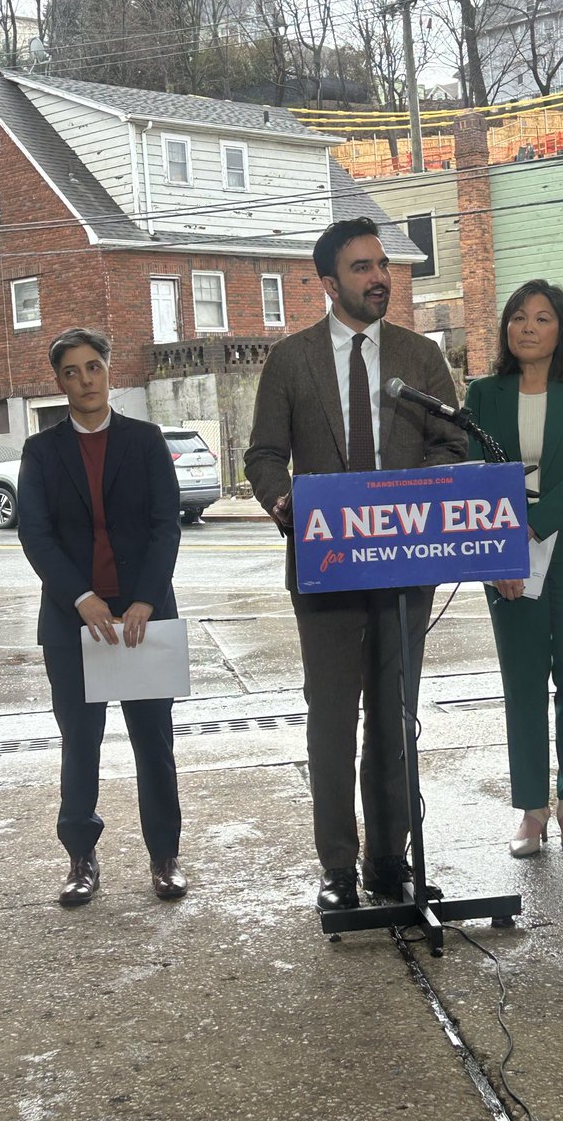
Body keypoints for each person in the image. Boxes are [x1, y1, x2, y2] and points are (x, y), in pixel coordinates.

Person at [244, 217, 467, 911]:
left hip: (404, 567)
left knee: (396, 719)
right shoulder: (291, 360)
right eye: (364, 268)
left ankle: (389, 862)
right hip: (326, 566)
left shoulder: (419, 356)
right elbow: (262, 455)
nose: (379, 279)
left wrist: (415, 497)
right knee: (333, 722)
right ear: (329, 281)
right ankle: (338, 868)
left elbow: (451, 445)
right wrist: (282, 499)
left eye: (384, 267)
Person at [18, 327, 188, 906]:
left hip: (144, 620)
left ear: (108, 370)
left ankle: (164, 857)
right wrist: (80, 598)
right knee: (80, 744)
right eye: (72, 371)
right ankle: (81, 860)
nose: (85, 380)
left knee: (154, 743)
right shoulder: (42, 452)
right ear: (59, 381)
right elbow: (36, 535)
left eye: (94, 367)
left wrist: (143, 597)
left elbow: (167, 524)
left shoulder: (145, 440)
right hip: (73, 626)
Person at [464, 280, 563, 858]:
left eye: (543, 318)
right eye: (518, 317)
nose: (528, 327)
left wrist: (533, 524)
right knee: (522, 680)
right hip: (504, 549)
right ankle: (532, 811)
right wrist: (503, 545)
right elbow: (475, 475)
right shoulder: (483, 394)